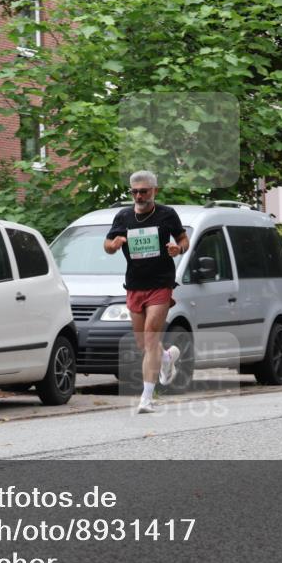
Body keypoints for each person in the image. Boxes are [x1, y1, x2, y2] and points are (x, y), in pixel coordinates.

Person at [104, 171, 190, 413]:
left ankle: (146, 398)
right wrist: (115, 244)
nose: (139, 196)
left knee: (152, 335)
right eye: (135, 192)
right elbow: (107, 245)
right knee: (144, 343)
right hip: (134, 284)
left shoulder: (166, 215)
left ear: (155, 191)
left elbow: (184, 240)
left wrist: (178, 248)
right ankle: (166, 358)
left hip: (161, 283)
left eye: (144, 191)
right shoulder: (123, 216)